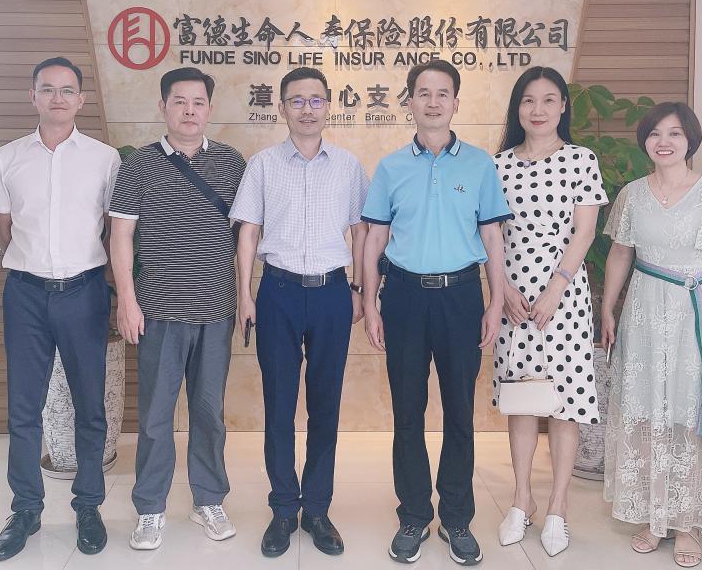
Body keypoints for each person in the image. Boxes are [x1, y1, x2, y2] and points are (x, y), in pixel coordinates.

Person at [361, 60, 512, 566]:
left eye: (442, 93)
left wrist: (495, 302)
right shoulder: (390, 167)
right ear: (409, 101)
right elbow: (375, 238)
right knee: (407, 412)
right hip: (403, 297)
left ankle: (456, 518)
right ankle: (413, 515)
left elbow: (493, 237)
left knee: (459, 414)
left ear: (455, 102)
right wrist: (370, 301)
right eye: (422, 93)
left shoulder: (479, 165)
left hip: (461, 297)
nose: (432, 102)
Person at [600, 102, 702, 569]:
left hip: (697, 314)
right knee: (646, 409)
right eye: (654, 133)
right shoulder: (632, 195)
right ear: (644, 141)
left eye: (674, 133)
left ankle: (687, 523)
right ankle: (655, 516)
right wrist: (607, 307)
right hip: (644, 312)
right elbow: (620, 255)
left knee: (690, 413)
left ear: (691, 140)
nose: (663, 141)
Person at [231, 67, 370, 559]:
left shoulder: (348, 166)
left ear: (328, 105)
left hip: (332, 292)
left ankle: (317, 508)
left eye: (315, 100)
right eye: (297, 100)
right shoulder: (263, 165)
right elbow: (248, 232)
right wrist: (245, 295)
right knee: (279, 403)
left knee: (325, 405)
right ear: (282, 107)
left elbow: (361, 232)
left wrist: (359, 290)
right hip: (278, 292)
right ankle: (284, 508)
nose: (307, 109)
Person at [0, 57, 121, 562]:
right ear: (33, 96)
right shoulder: (8, 157)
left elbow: (114, 228)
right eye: (48, 89)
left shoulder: (105, 159)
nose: (57, 98)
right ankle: (26, 508)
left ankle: (88, 506)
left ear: (81, 99)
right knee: (24, 408)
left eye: (67, 90)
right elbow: (2, 229)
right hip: (25, 292)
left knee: (90, 405)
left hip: (84, 292)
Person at [109, 67, 246, 551]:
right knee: (155, 416)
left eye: (198, 102)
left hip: (215, 308)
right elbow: (120, 235)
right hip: (159, 310)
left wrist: (246, 295)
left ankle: (208, 499)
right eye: (180, 102)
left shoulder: (231, 163)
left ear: (210, 108)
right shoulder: (139, 165)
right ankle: (150, 508)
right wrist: (127, 300)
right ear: (163, 107)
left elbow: (247, 236)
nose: (190, 111)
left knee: (209, 412)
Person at [490, 67, 608, 557]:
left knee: (565, 400)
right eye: (528, 100)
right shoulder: (497, 165)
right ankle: (522, 499)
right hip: (512, 298)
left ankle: (558, 506)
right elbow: (490, 235)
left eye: (548, 100)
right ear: (517, 108)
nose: (537, 110)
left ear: (563, 106)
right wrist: (503, 288)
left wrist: (556, 287)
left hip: (565, 296)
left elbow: (585, 231)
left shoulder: (581, 159)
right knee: (521, 396)